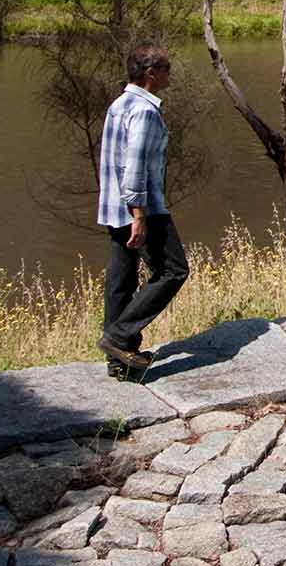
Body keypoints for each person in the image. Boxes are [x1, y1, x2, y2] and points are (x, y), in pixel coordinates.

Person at [97, 44, 190, 379]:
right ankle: (120, 337)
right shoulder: (144, 111)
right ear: (151, 73)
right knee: (173, 270)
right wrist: (140, 215)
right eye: (166, 69)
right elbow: (134, 166)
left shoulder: (119, 104)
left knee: (121, 279)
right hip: (143, 207)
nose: (170, 74)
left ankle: (119, 360)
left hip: (114, 205)